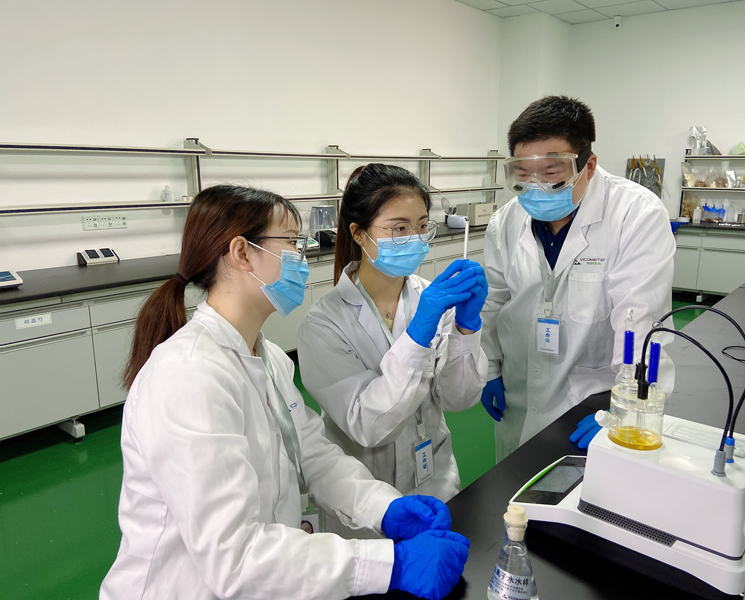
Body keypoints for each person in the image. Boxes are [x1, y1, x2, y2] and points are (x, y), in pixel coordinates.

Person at [100, 185, 470, 600]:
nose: (303, 256)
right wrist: (391, 564)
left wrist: (383, 508)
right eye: (292, 243)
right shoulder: (188, 375)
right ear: (242, 253)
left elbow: (313, 456)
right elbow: (235, 557)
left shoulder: (268, 357)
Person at [480, 96, 675, 462]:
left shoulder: (635, 214)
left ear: (589, 165)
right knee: (514, 490)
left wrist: (625, 410)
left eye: (551, 173)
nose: (535, 186)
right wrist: (489, 367)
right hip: (518, 394)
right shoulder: (505, 221)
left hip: (590, 403)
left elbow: (640, 320)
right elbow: (494, 301)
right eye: (522, 173)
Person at [297, 164, 489, 503]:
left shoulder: (432, 299)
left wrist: (466, 327)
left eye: (422, 226)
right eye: (399, 228)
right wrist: (416, 339)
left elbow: (457, 399)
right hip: (365, 494)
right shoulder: (324, 324)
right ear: (359, 233)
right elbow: (367, 426)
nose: (415, 238)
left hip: (437, 479)